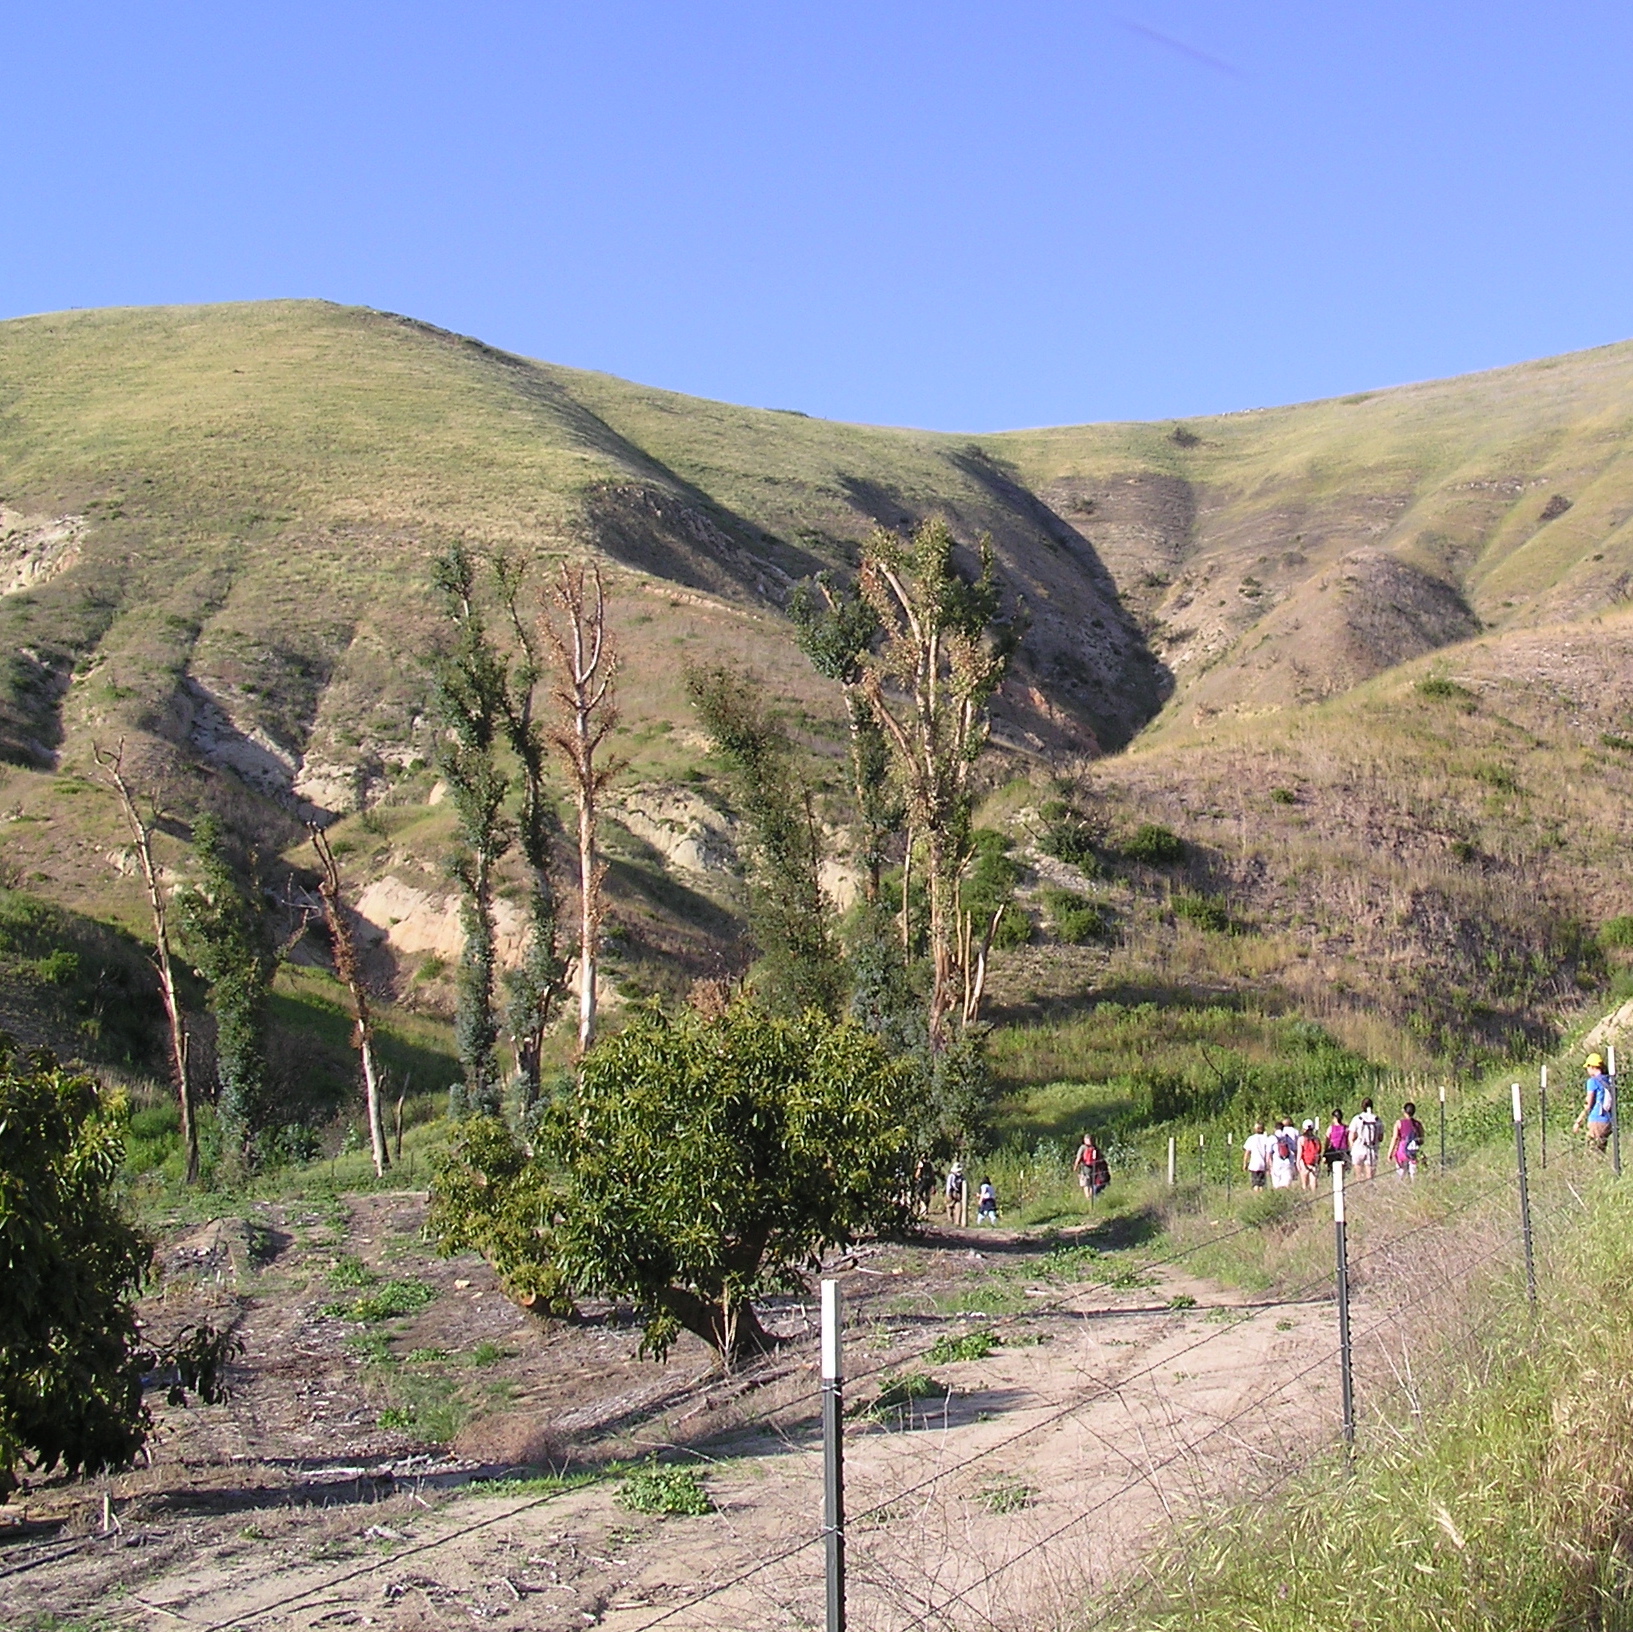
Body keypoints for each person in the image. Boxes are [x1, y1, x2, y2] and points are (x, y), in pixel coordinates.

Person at [1574, 1053, 1615, 1153]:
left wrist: (1578, 1122)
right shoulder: (1609, 1079)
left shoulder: (1592, 1081)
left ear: (1592, 1067)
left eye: (1587, 1067)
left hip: (1597, 1119)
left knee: (1592, 1152)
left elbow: (1588, 1104)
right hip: (1608, 1120)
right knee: (1600, 1152)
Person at [1348, 1099, 1383, 1180]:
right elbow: (1381, 1138)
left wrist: (1352, 1147)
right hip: (1372, 1149)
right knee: (1370, 1177)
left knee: (1358, 1175)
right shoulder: (1377, 1119)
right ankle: (1369, 1190)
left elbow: (1351, 1136)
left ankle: (1360, 1189)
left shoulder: (1357, 1118)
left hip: (1359, 1148)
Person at [1391, 1101, 1425, 1179]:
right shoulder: (1418, 1124)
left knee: (1400, 1175)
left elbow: (1395, 1138)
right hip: (1413, 1151)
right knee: (1414, 1174)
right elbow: (1422, 1139)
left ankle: (1401, 1189)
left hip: (1401, 1151)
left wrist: (1390, 1153)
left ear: (1404, 1111)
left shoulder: (1399, 1123)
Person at [1242, 1122, 1276, 1190]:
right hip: (1263, 1164)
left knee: (1255, 1183)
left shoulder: (1251, 1138)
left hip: (1254, 1164)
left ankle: (1256, 1196)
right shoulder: (1266, 1138)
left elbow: (1247, 1152)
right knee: (1262, 1184)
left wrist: (1245, 1163)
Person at [1269, 1118, 1298, 1190]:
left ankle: (1278, 1198)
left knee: (1276, 1185)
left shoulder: (1271, 1138)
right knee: (1286, 1184)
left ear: (1274, 1129)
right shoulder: (1288, 1138)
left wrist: (1269, 1165)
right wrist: (1296, 1162)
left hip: (1276, 1163)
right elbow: (1294, 1150)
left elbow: (1268, 1154)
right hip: (1287, 1162)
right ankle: (1286, 1197)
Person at [1073, 1133, 1100, 1201]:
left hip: (1085, 1168)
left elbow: (1078, 1158)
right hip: (1094, 1167)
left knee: (1085, 1184)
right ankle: (1091, 1198)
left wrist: (1075, 1166)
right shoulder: (1095, 1147)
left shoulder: (1083, 1147)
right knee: (1091, 1183)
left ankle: (1088, 1198)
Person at [1297, 1120, 1322, 1191]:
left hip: (1304, 1163)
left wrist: (1298, 1164)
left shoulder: (1301, 1139)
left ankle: (1307, 1198)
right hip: (1314, 1163)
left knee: (1304, 1185)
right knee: (1313, 1184)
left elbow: (1300, 1153)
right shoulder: (1316, 1139)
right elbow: (1319, 1151)